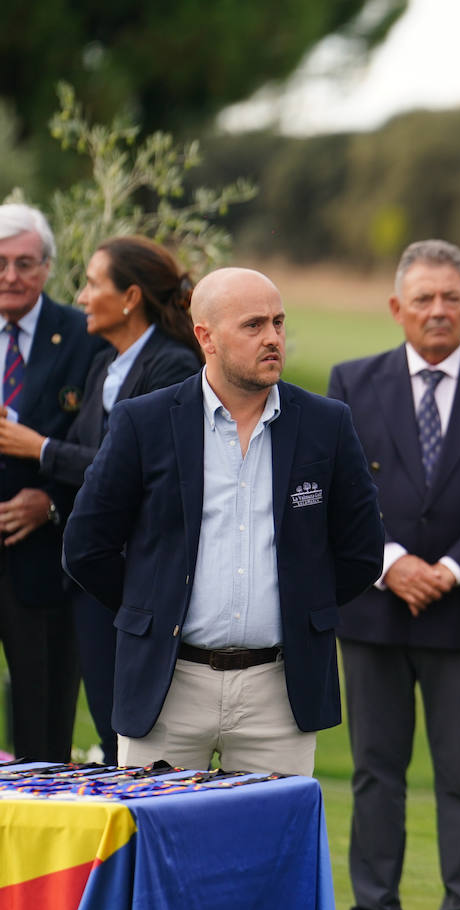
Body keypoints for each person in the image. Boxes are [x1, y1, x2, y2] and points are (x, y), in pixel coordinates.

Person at [62, 267, 384, 775]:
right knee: (157, 827)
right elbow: (86, 546)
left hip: (279, 689)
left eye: (278, 322)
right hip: (167, 685)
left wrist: (303, 607)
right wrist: (150, 610)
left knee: (271, 830)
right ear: (206, 337)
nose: (272, 337)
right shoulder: (143, 421)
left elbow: (362, 552)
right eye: (253, 325)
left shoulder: (327, 424)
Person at [328, 239, 460, 910]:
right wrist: (391, 563)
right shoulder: (351, 383)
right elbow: (338, 489)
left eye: (451, 297)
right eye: (424, 298)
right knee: (374, 776)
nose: (438, 310)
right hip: (374, 613)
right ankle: (373, 906)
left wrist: (450, 570)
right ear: (398, 308)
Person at [0, 236, 202, 765]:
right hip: (95, 584)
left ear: (130, 297)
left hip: (141, 585)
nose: (82, 297)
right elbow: (87, 462)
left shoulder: (172, 367)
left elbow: (132, 470)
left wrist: (40, 448)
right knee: (115, 738)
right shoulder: (104, 366)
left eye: (92, 284)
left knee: (143, 745)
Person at [0, 203, 106, 762]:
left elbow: (107, 450)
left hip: (44, 564)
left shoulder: (86, 336)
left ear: (47, 267)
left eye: (25, 263)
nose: (11, 276)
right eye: (0, 263)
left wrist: (54, 502)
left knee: (42, 735)